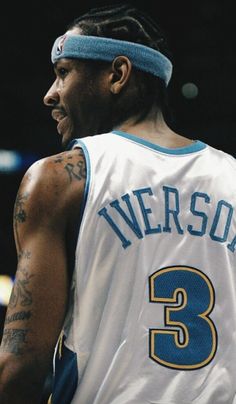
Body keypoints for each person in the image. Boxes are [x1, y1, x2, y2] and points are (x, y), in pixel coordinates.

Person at [0, 3, 236, 404]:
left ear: (117, 74)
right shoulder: (232, 176)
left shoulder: (61, 179)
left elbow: (22, 369)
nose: (49, 95)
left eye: (63, 73)